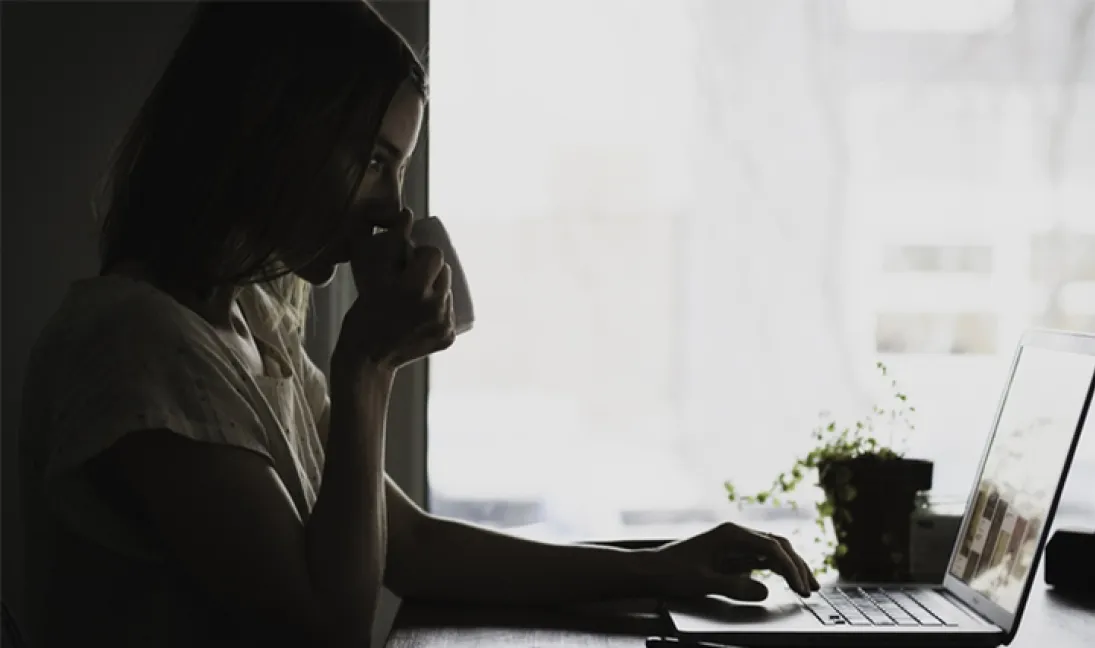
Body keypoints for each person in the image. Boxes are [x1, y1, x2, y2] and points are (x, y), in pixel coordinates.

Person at [18, 2, 818, 647]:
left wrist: (656, 567)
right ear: (270, 134)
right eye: (373, 159)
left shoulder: (250, 329)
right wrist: (368, 367)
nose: (394, 206)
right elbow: (325, 627)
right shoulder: (136, 345)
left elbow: (412, 546)